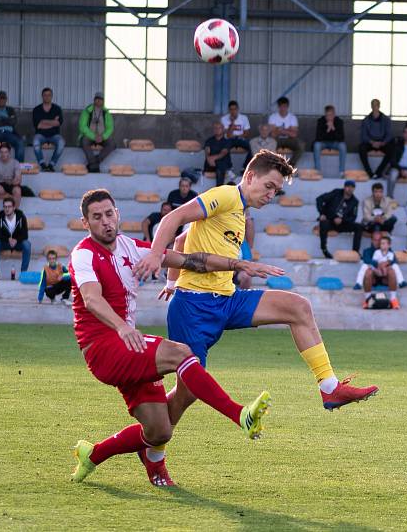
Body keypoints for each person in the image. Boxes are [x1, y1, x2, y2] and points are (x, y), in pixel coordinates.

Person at [132, 151, 378, 472]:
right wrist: (157, 259)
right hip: (193, 307)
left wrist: (170, 279)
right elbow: (172, 220)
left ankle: (329, 388)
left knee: (297, 307)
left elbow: (182, 239)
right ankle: (152, 449)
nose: (271, 195)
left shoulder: (242, 214)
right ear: (250, 177)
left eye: (276, 190)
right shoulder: (224, 196)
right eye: (268, 186)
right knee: (188, 392)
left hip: (227, 300)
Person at [68, 188, 284, 487]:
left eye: (108, 214)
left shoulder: (132, 248)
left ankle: (93, 455)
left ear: (117, 214)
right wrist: (122, 327)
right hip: (104, 347)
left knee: (160, 431)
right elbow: (91, 299)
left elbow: (191, 261)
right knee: (182, 353)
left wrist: (239, 264)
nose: (105, 221)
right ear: (85, 223)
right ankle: (240, 415)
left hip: (127, 344)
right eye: (96, 217)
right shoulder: (83, 254)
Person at [315, 179, 363, 259]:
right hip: (330, 220)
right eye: (348, 186)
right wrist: (322, 213)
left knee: (359, 227)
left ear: (354, 189)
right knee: (323, 222)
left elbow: (353, 217)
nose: (350, 189)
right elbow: (319, 199)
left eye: (352, 187)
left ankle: (355, 251)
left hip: (343, 224)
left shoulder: (355, 201)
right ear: (344, 187)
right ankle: (324, 249)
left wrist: (342, 220)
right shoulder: (336, 193)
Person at [0, 196, 31, 280]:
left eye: (9, 207)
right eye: (5, 207)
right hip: (5, 243)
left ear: (14, 207)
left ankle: (23, 273)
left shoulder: (21, 217)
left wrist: (16, 240)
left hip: (17, 243)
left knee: (27, 244)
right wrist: (8, 239)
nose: (7, 209)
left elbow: (25, 234)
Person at [78, 92, 115, 173]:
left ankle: (93, 163)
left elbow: (110, 127)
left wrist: (103, 136)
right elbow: (82, 126)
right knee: (84, 141)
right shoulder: (87, 111)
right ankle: (94, 165)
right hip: (90, 136)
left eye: (100, 99)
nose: (98, 101)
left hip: (102, 137)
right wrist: (94, 136)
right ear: (94, 100)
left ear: (103, 101)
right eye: (97, 99)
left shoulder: (106, 112)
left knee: (112, 143)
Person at [363, 235, 400, 309]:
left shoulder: (389, 251)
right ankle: (367, 299)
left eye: (379, 241)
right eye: (375, 240)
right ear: (372, 241)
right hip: (374, 275)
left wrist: (385, 267)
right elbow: (369, 262)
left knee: (392, 271)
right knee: (368, 272)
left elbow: (394, 261)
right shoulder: (369, 251)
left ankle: (393, 299)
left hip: (385, 276)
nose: (378, 243)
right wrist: (377, 269)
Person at [32, 87, 65, 172]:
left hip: (54, 135)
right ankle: (42, 164)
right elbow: (38, 126)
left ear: (52, 96)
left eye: (49, 95)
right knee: (35, 141)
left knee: (61, 142)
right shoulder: (37, 109)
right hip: (41, 135)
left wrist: (44, 121)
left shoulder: (57, 108)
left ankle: (51, 165)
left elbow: (58, 123)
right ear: (42, 96)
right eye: (45, 95)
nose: (47, 97)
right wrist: (52, 122)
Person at [359, 98, 392, 179]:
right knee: (361, 148)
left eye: (376, 105)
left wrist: (383, 142)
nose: (375, 107)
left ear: (379, 106)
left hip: (382, 143)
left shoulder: (386, 120)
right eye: (373, 105)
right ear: (371, 106)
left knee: (391, 150)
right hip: (370, 143)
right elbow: (363, 135)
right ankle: (369, 173)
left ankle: (379, 172)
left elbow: (389, 134)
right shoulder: (366, 120)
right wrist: (372, 142)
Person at [0, 143, 22, 213]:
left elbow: (18, 179)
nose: (3, 154)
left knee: (18, 191)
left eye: (6, 152)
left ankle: (15, 212)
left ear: (9, 153)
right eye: (2, 152)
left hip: (11, 183)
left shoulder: (15, 162)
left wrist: (12, 182)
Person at [267, 96, 303, 165]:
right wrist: (289, 129)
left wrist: (280, 129)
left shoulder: (292, 117)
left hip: (289, 140)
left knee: (301, 145)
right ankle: (274, 165)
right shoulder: (273, 117)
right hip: (277, 139)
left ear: (287, 107)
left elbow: (294, 134)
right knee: (269, 143)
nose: (283, 108)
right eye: (281, 106)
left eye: (285, 106)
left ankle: (291, 165)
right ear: (278, 107)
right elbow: (272, 134)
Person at [313, 105, 346, 177]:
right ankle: (318, 170)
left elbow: (341, 138)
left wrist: (333, 128)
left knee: (343, 146)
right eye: (327, 115)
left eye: (331, 115)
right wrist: (328, 129)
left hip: (335, 143)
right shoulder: (321, 121)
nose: (329, 117)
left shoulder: (339, 121)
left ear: (334, 114)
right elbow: (318, 137)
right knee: (316, 145)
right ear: (325, 115)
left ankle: (342, 171)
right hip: (324, 143)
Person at [220, 100, 252, 169]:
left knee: (252, 147)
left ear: (238, 109)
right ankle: (229, 168)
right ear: (229, 110)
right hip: (229, 140)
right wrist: (232, 123)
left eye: (235, 109)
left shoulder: (244, 118)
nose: (233, 111)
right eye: (231, 109)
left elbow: (247, 134)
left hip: (241, 139)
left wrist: (237, 136)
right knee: (224, 148)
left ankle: (245, 167)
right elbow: (228, 135)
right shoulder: (224, 119)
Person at [204, 122, 233, 186]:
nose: (217, 129)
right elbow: (207, 152)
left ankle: (218, 187)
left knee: (220, 165)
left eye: (219, 128)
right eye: (215, 128)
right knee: (220, 165)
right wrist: (209, 159)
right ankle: (219, 188)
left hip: (222, 164)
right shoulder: (209, 140)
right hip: (211, 165)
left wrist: (213, 159)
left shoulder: (227, 141)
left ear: (223, 129)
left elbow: (223, 153)